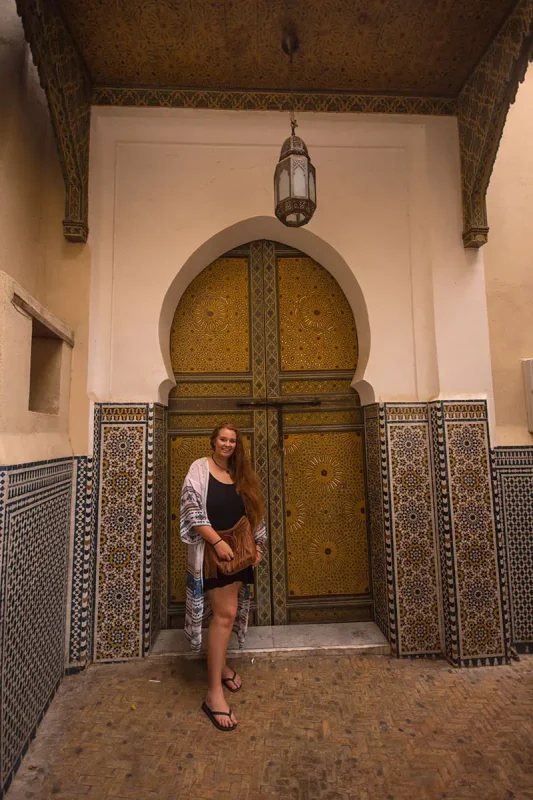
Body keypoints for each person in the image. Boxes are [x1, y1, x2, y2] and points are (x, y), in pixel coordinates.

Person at [180, 423, 266, 731]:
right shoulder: (199, 469)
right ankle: (213, 694)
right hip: (215, 553)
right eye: (222, 439)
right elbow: (192, 509)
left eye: (232, 440)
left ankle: (222, 665)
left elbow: (254, 512)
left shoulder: (240, 474)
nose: (227, 444)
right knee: (224, 615)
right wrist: (216, 542)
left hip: (239, 552)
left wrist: (257, 543)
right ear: (213, 441)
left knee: (226, 618)